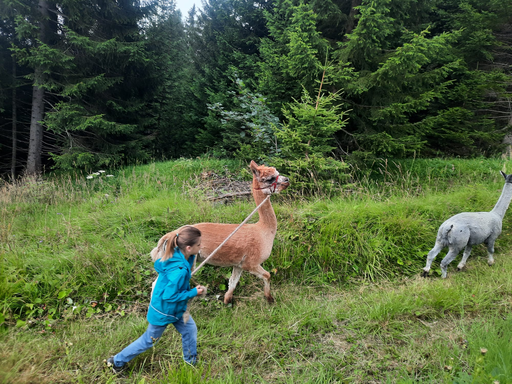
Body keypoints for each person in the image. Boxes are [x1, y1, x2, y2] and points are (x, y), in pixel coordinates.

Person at [105, 226, 205, 373]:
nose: (201, 247)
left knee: (190, 330)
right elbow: (169, 296)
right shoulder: (179, 271)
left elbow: (177, 271)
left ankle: (190, 363)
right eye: (198, 245)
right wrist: (193, 293)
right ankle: (116, 362)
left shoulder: (176, 255)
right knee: (148, 341)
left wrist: (191, 259)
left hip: (177, 309)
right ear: (189, 248)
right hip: (164, 311)